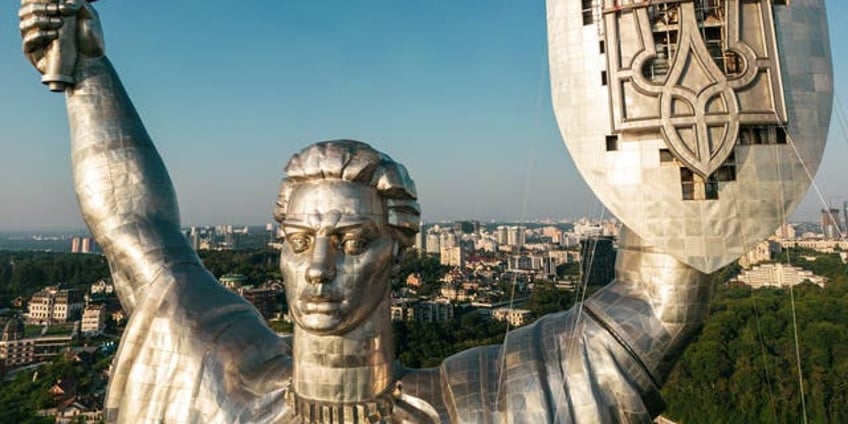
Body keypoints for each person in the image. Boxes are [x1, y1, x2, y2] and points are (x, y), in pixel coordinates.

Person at [19, 2, 713, 423]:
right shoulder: (217, 388)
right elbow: (135, 230)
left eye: (349, 240)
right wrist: (84, 72)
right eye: (299, 241)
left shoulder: (481, 406)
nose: (317, 269)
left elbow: (660, 304)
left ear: (397, 253)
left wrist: (671, 75)